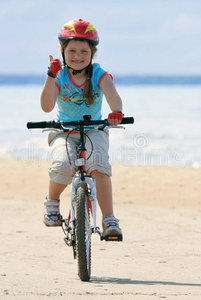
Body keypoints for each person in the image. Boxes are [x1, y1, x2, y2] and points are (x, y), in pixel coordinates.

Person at [40, 19, 124, 240]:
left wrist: (116, 112)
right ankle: (52, 202)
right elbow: (47, 106)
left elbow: (112, 94)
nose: (78, 56)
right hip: (64, 131)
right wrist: (50, 76)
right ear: (63, 51)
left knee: (100, 166)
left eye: (84, 51)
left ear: (93, 53)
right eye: (72, 51)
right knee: (62, 164)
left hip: (94, 129)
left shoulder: (98, 74)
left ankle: (109, 220)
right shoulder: (59, 75)